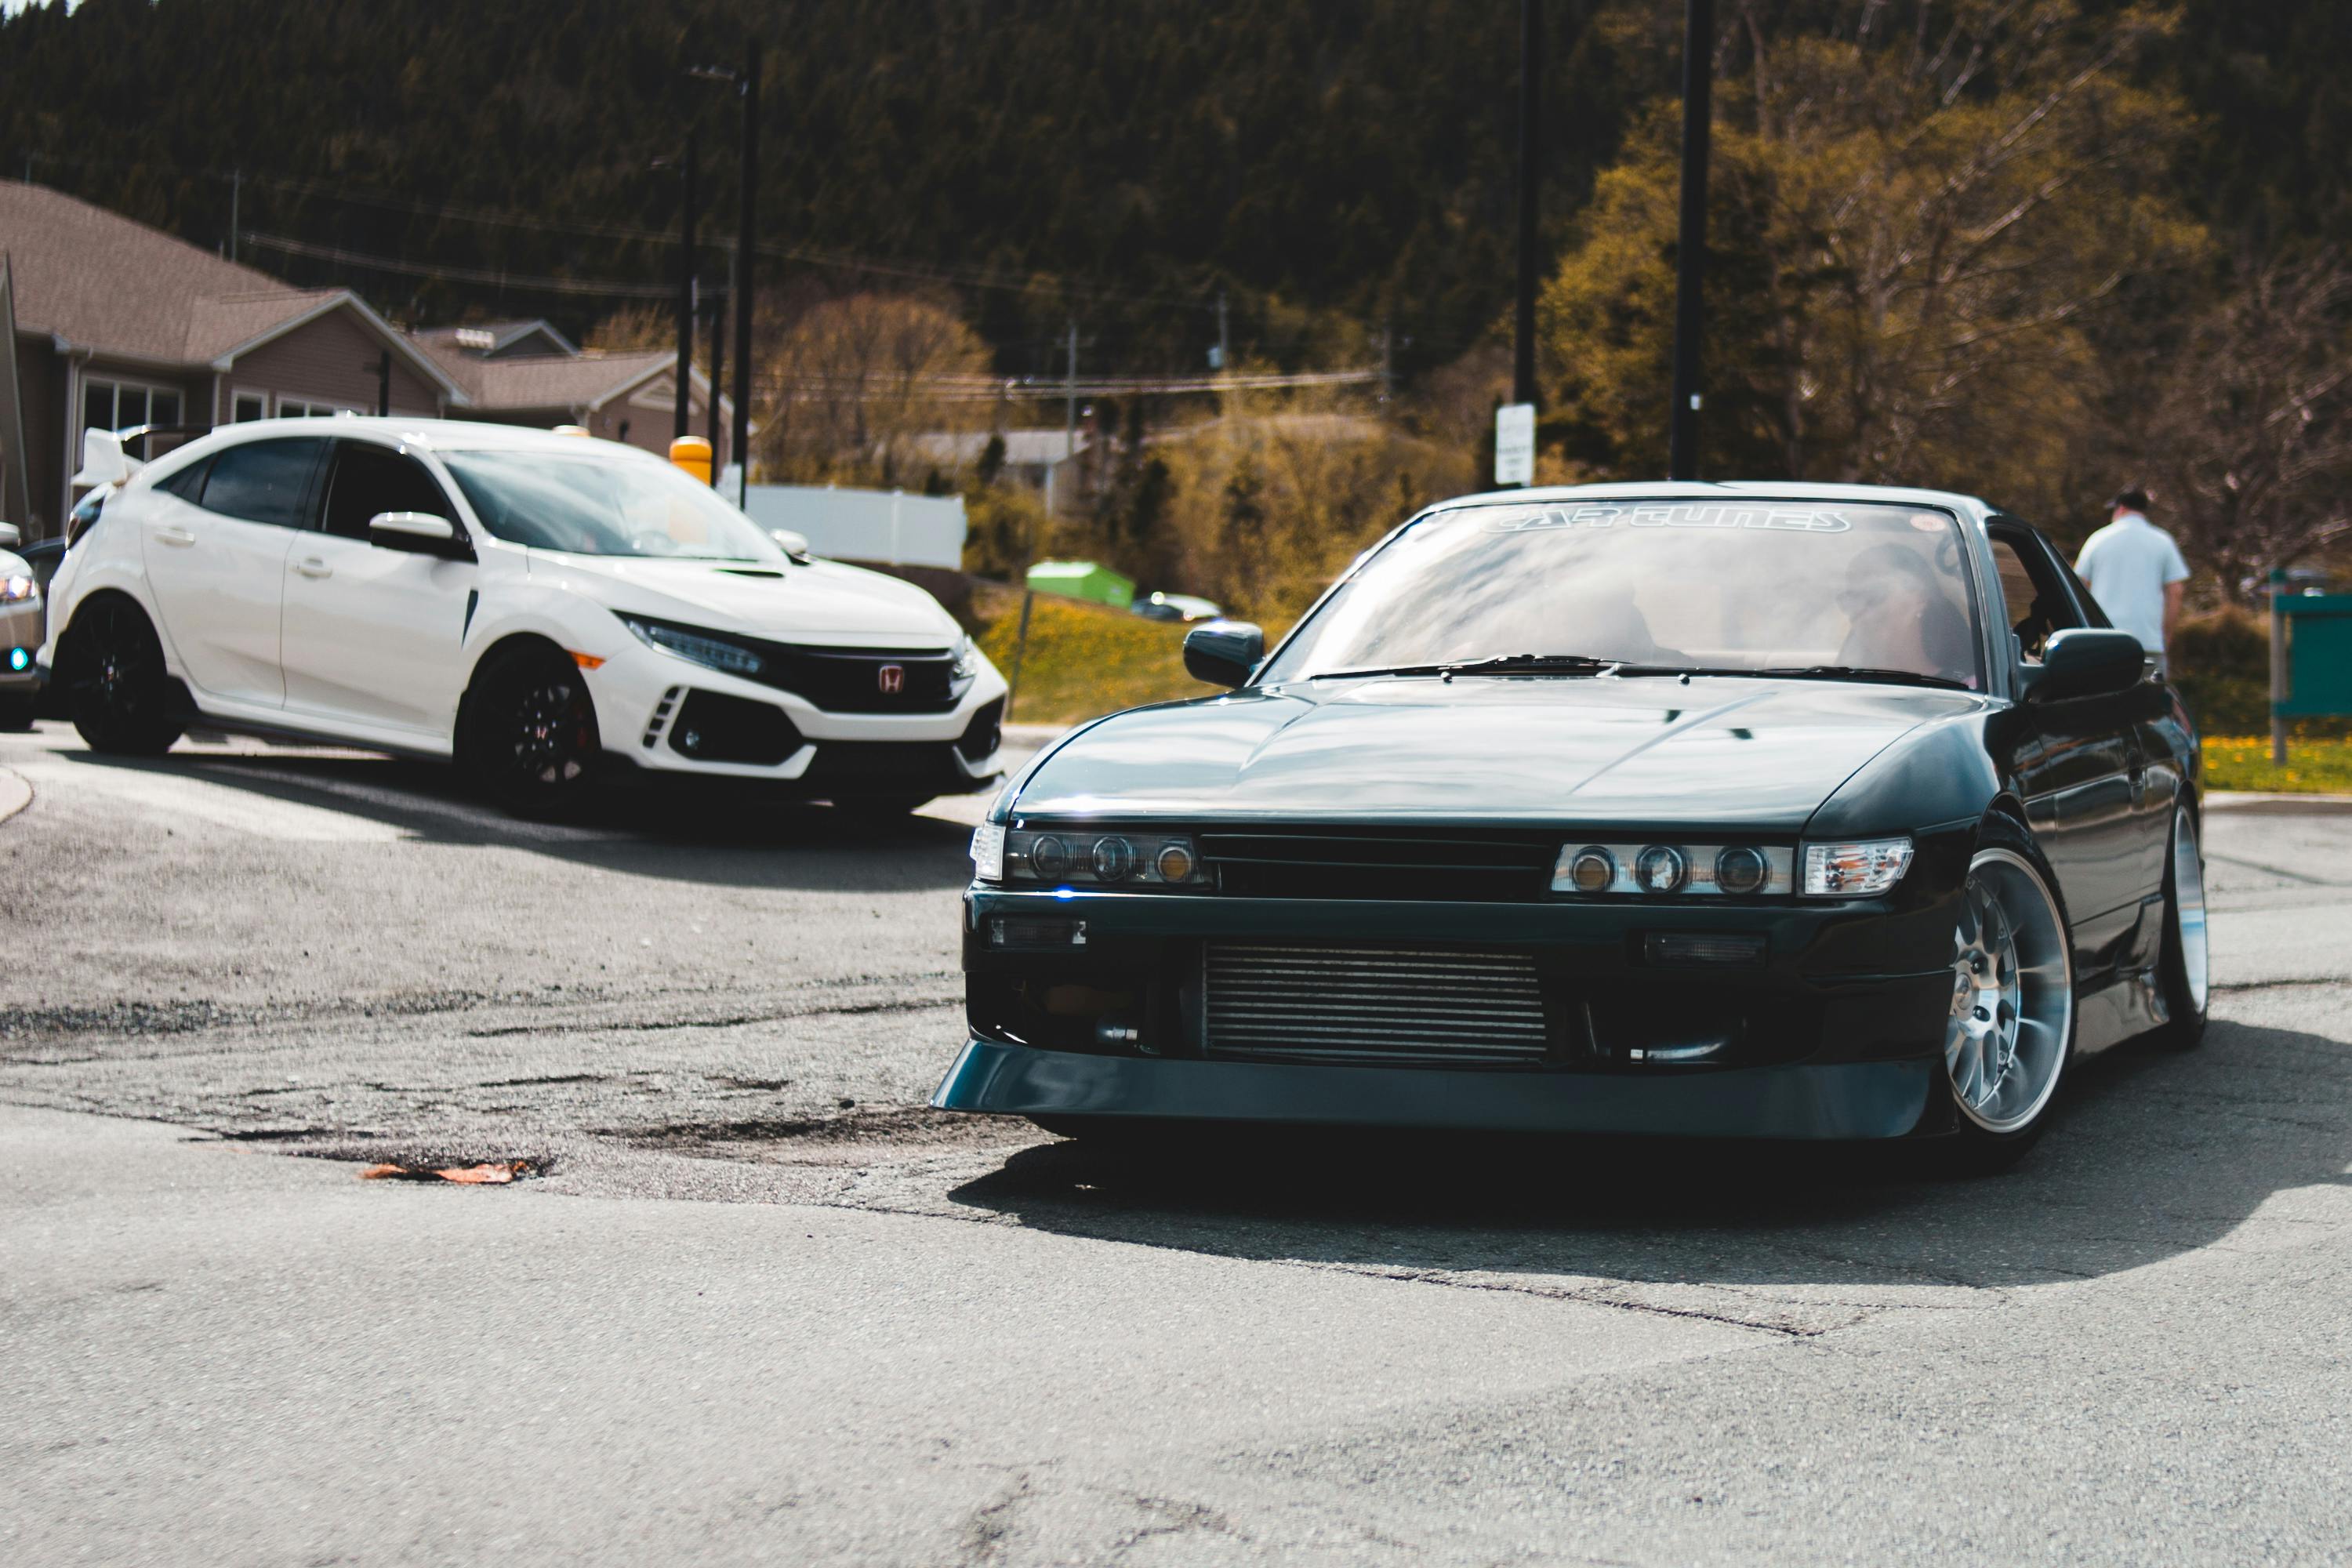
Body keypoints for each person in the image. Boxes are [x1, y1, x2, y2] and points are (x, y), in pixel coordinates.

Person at [2074, 487, 2189, 673]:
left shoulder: (2098, 539)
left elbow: (2079, 587)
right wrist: (2165, 637)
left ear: (2120, 509)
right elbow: (2176, 591)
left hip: (2103, 641)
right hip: (2148, 641)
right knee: (2150, 701)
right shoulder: (2163, 540)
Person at [1835, 544, 1977, 686]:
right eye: (1851, 598)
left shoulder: (1967, 689)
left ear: (1920, 596)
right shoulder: (1836, 688)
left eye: (1873, 594)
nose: (1859, 610)